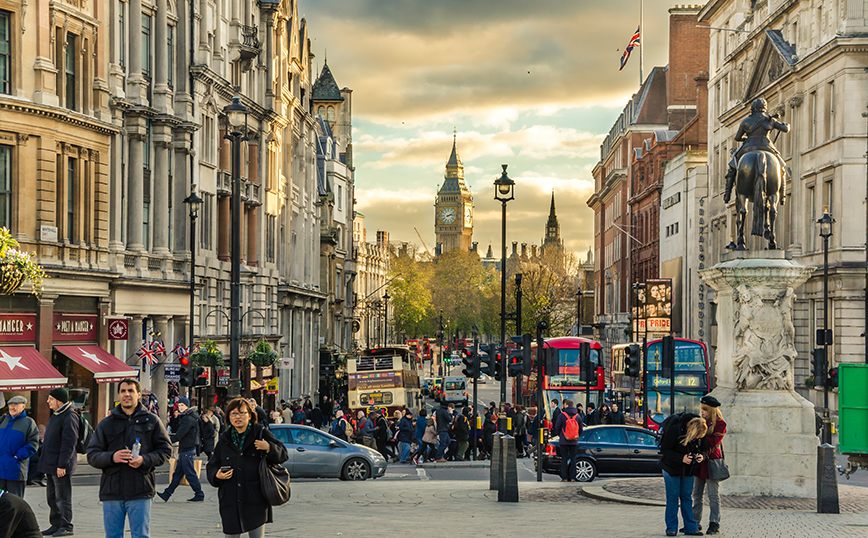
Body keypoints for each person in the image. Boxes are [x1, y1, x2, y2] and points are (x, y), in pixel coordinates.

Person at [87, 379, 172, 538]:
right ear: (118, 395)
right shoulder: (106, 423)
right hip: (112, 490)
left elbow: (166, 450)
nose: (127, 394)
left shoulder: (151, 420)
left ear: (139, 394)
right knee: (113, 536)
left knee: (140, 535)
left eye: (131, 391)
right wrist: (112, 457)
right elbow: (92, 455)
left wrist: (144, 460)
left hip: (141, 489)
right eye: (123, 391)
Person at [207, 398, 288, 538]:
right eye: (233, 414)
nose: (237, 417)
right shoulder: (225, 439)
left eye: (241, 413)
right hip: (230, 498)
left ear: (249, 415)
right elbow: (212, 465)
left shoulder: (260, 432)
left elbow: (283, 453)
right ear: (228, 418)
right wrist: (216, 475)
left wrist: (269, 447)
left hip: (255, 498)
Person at [39, 388, 79, 537]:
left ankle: (66, 526)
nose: (48, 401)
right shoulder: (57, 414)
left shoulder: (69, 416)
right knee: (51, 498)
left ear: (59, 401)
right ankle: (55, 524)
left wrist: (62, 465)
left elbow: (69, 444)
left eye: (50, 398)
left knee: (62, 498)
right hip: (50, 465)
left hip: (60, 466)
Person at [659, 414, 707, 537]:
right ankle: (671, 528)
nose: (698, 438)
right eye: (696, 436)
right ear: (692, 431)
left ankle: (691, 527)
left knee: (687, 497)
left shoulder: (702, 430)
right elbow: (665, 449)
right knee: (673, 497)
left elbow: (704, 448)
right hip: (671, 468)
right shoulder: (675, 429)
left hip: (689, 469)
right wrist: (681, 458)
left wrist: (702, 455)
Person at [157, 397, 203, 503]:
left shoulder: (187, 419)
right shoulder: (190, 417)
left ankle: (199, 493)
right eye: (180, 405)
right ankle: (167, 493)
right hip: (185, 449)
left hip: (187, 449)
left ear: (187, 406)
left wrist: (166, 442)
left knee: (190, 473)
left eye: (183, 405)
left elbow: (179, 435)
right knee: (177, 473)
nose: (180, 407)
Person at [693, 396, 727, 536]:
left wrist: (698, 437)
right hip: (699, 462)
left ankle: (714, 523)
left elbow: (714, 441)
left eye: (704, 409)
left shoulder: (720, 423)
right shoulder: (700, 422)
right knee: (696, 494)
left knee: (713, 495)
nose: (702, 412)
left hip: (712, 461)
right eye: (701, 409)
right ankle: (695, 522)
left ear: (711, 409)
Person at [0, 396, 38, 498]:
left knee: (15, 502)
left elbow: (33, 444)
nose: (12, 408)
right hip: (1, 470)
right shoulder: (2, 420)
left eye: (16, 405)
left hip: (16, 471)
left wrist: (17, 457)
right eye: (10, 405)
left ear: (23, 407)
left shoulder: (29, 423)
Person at [553, 399, 581, 482]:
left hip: (564, 441)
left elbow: (557, 427)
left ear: (566, 405)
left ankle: (564, 477)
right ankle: (573, 477)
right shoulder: (577, 416)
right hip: (574, 441)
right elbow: (581, 429)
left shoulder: (562, 415)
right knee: (573, 459)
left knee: (564, 459)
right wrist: (575, 435)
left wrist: (561, 435)